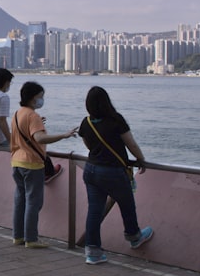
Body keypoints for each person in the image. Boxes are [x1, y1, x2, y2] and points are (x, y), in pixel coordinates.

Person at [77, 86, 153, 264]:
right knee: (127, 205)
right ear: (107, 102)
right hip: (113, 172)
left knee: (94, 211)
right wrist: (141, 159)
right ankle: (134, 237)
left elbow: (89, 145)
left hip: (92, 170)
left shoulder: (86, 122)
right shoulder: (116, 120)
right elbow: (131, 144)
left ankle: (93, 253)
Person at [10, 81, 77, 248]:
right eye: (41, 97)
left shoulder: (18, 113)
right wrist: (64, 135)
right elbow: (39, 138)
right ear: (33, 98)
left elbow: (24, 132)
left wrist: (39, 124)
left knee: (20, 201)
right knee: (34, 202)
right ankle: (31, 239)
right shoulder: (33, 116)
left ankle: (18, 236)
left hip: (16, 161)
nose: (42, 100)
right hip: (31, 164)